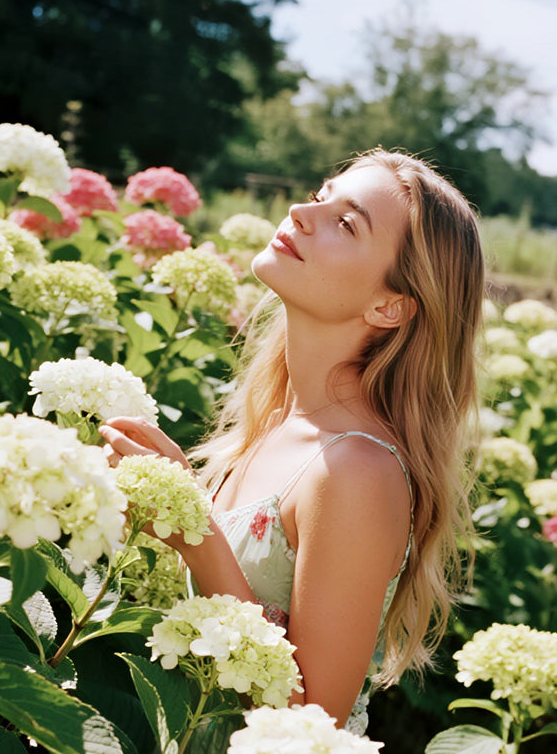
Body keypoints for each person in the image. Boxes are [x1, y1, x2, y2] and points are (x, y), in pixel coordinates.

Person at [100, 148, 484, 737]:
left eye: (345, 223)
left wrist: (195, 535)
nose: (302, 213)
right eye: (319, 195)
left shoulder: (355, 469)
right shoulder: (275, 422)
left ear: (390, 306)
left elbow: (309, 731)